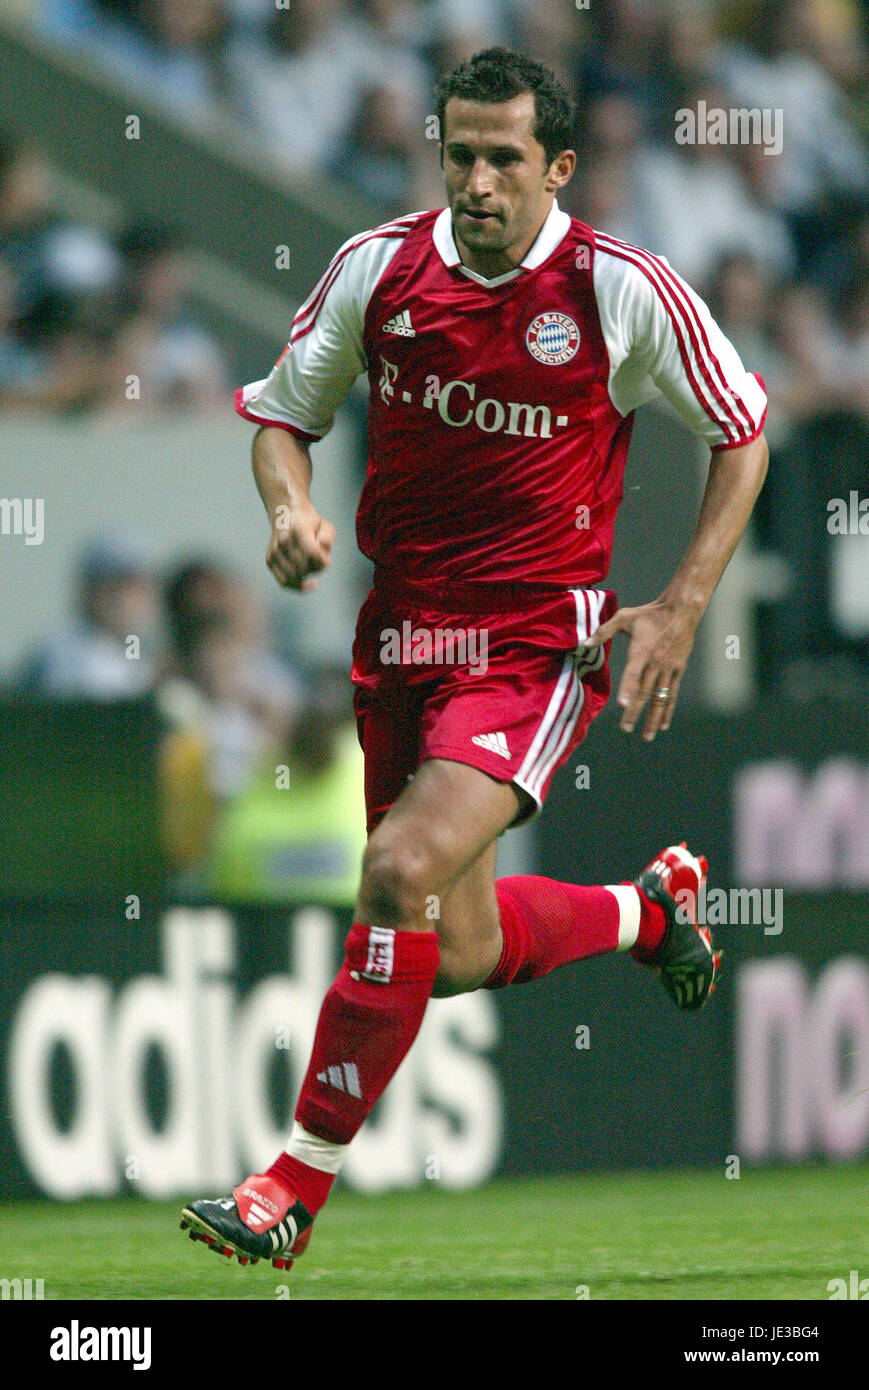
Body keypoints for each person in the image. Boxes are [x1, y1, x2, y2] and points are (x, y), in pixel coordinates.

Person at [181, 47, 768, 1273]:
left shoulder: (618, 288)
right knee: (448, 952)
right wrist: (287, 510)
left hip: (532, 647)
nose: (479, 181)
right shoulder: (376, 270)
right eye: (460, 154)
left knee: (396, 866)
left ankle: (287, 1186)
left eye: (505, 158)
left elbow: (743, 427)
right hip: (397, 636)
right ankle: (644, 910)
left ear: (555, 166)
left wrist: (677, 600)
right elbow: (283, 415)